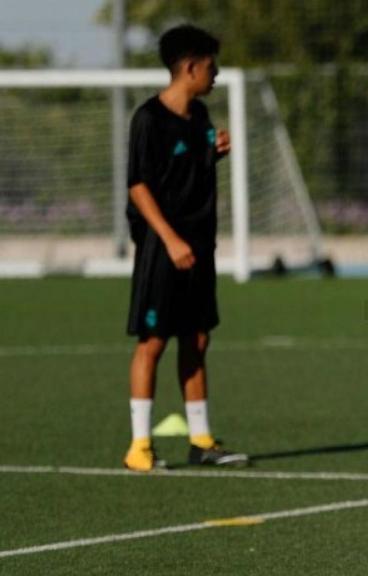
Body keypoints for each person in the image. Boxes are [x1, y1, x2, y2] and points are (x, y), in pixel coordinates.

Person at [122, 24, 247, 472]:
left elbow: (187, 172)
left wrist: (215, 153)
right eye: (211, 67)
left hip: (199, 244)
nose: (215, 74)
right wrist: (170, 239)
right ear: (190, 67)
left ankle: (201, 439)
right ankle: (139, 446)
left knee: (197, 338)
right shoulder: (148, 119)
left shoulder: (199, 119)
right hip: (163, 247)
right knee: (152, 341)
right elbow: (138, 187)